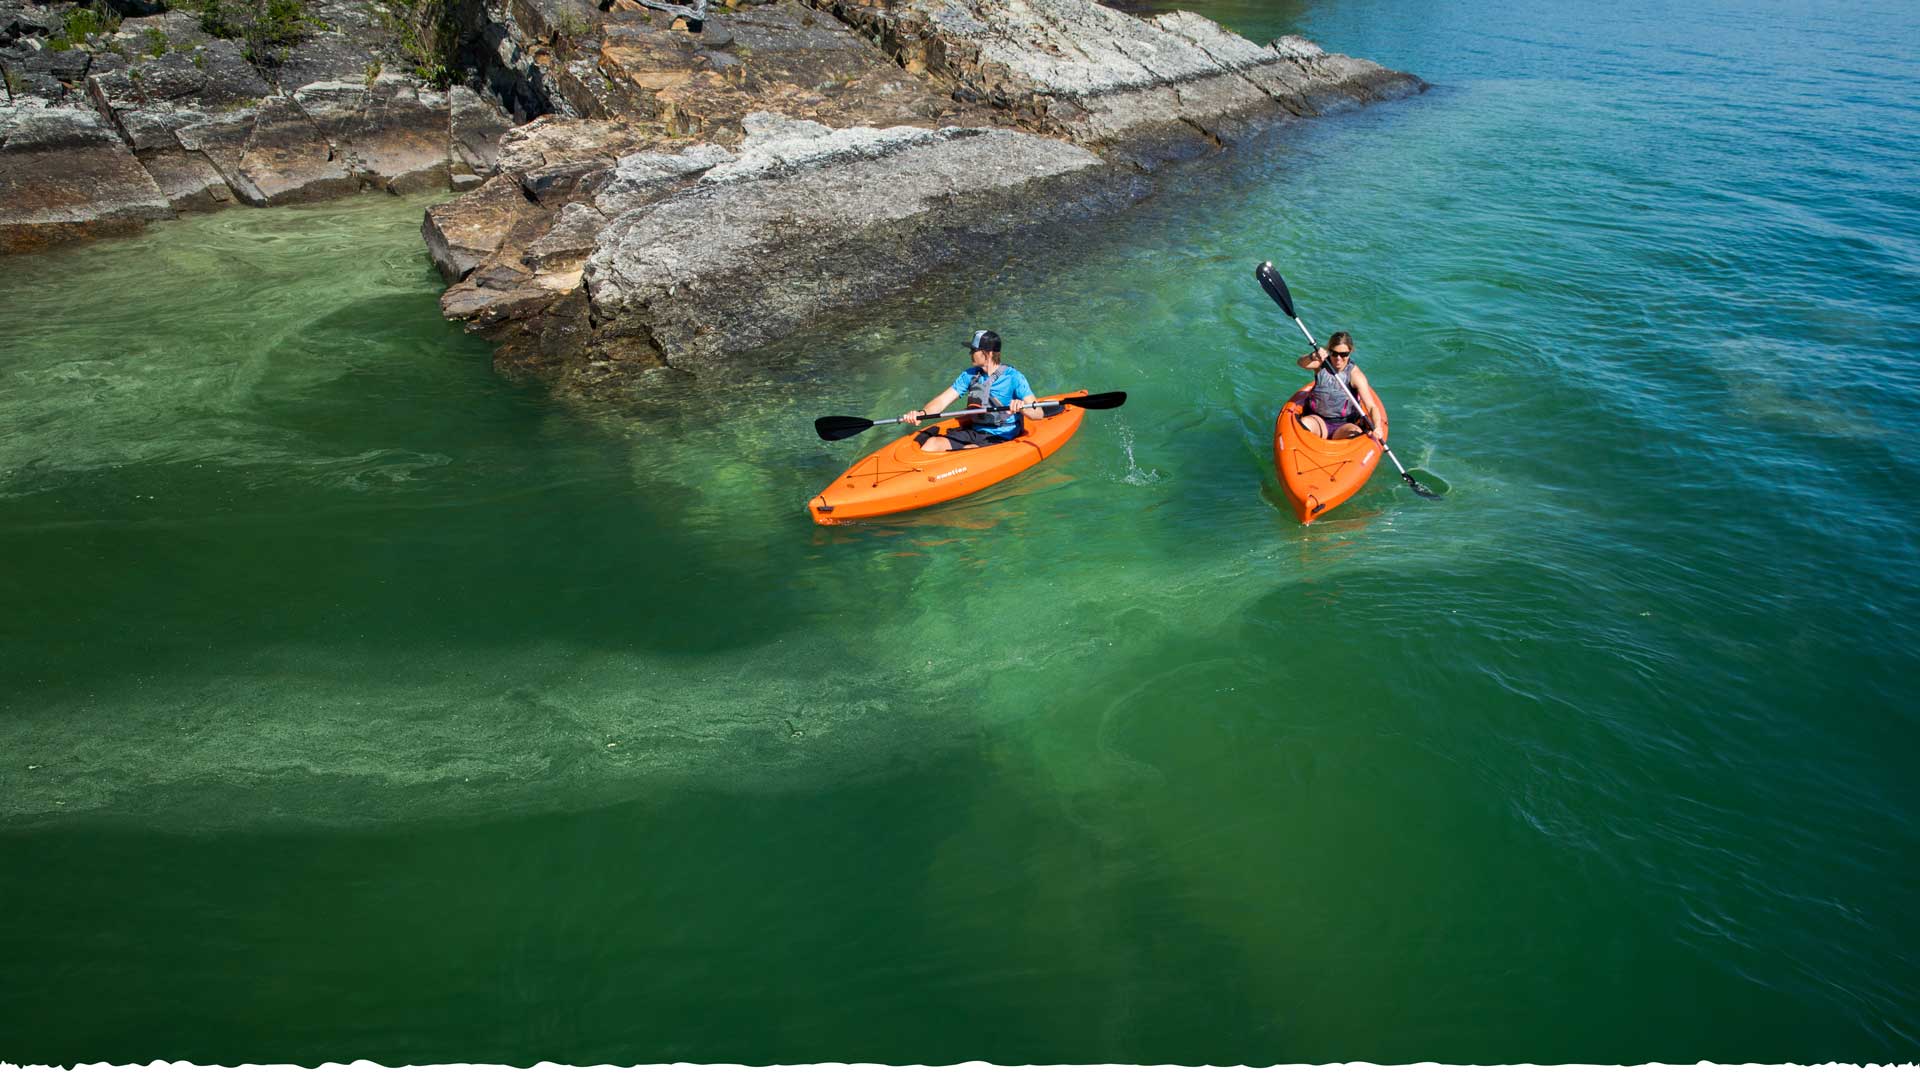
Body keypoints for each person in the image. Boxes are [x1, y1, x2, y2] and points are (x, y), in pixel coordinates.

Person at [899, 330, 1045, 452]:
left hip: (1001, 437)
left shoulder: (1014, 378)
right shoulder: (969, 375)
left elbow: (1038, 413)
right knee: (931, 444)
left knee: (969, 449)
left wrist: (1022, 408)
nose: (970, 353)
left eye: (973, 350)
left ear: (987, 354)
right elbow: (942, 401)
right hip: (975, 432)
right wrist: (922, 414)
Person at [1293, 331, 1386, 440]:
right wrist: (1312, 356)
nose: (1338, 358)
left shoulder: (1355, 375)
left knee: (1356, 433)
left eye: (1343, 354)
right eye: (1334, 353)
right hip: (1318, 420)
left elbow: (1371, 406)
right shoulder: (1321, 364)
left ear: (1350, 352)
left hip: (1343, 425)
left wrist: (1378, 427)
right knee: (1304, 423)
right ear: (1329, 351)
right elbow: (1300, 363)